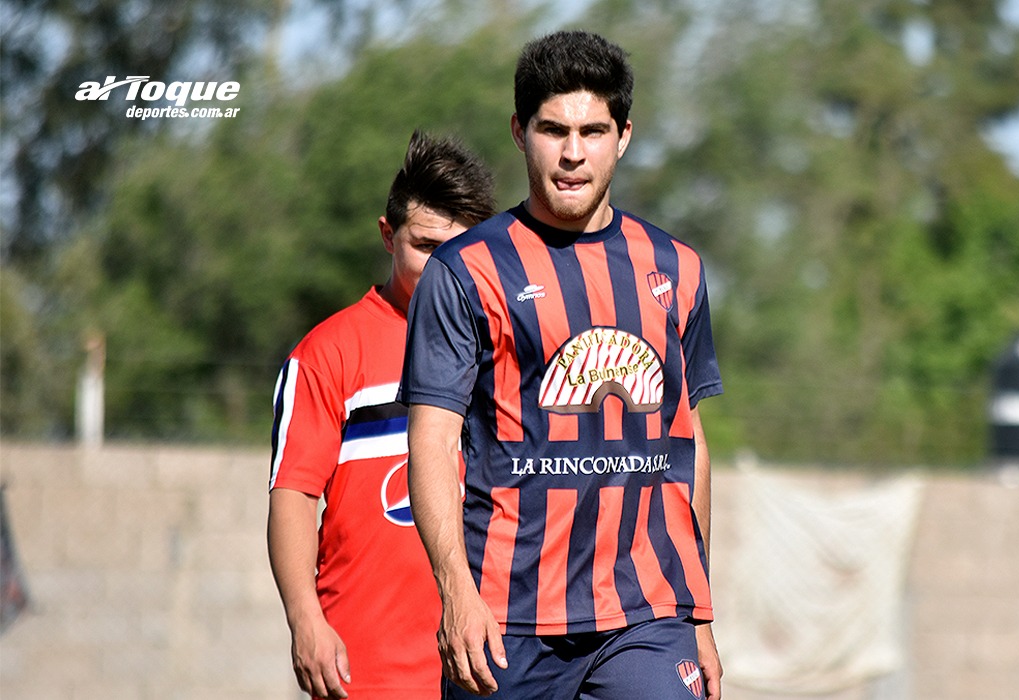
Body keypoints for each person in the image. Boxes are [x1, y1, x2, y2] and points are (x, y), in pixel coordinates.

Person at [401, 30, 724, 700]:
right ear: (520, 132)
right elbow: (431, 441)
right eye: (553, 129)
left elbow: (688, 445)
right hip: (507, 621)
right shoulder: (465, 272)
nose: (573, 153)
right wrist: (457, 593)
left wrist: (698, 616)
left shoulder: (677, 270)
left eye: (593, 131)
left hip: (646, 616)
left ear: (624, 135)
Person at [267, 131, 495, 700]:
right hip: (368, 669)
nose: (446, 267)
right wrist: (305, 621)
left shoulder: (510, 346)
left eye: (462, 248)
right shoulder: (328, 352)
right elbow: (293, 495)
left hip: (496, 663)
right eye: (426, 246)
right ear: (388, 236)